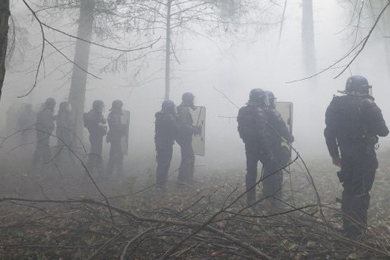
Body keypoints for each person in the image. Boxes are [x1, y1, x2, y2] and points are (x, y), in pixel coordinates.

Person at [324, 75, 388, 239]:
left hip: (346, 155)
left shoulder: (335, 104)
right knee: (360, 191)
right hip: (364, 155)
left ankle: (348, 226)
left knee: (349, 189)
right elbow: (383, 130)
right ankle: (356, 231)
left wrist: (334, 155)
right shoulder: (367, 104)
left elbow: (329, 132)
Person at [237, 88, 276, 206]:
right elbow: (261, 133)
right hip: (261, 147)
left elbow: (240, 130)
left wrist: (247, 141)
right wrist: (268, 151)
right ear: (260, 98)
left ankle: (251, 199)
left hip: (249, 146)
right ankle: (269, 196)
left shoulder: (243, 110)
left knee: (251, 172)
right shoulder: (260, 111)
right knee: (272, 169)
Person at [264, 91, 294, 203]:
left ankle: (266, 195)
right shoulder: (272, 112)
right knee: (276, 171)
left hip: (264, 147)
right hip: (274, 146)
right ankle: (276, 199)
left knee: (267, 170)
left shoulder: (260, 113)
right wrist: (290, 138)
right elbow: (282, 127)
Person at [176, 92, 201, 184]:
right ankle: (186, 179)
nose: (193, 101)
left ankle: (182, 179)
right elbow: (184, 125)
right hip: (184, 137)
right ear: (188, 100)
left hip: (183, 137)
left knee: (186, 157)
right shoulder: (184, 109)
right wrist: (194, 129)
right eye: (191, 99)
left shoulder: (181, 108)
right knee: (189, 157)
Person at [155, 100, 179, 191]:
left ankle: (159, 184)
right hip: (166, 143)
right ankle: (161, 185)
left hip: (159, 142)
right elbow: (176, 129)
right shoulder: (169, 117)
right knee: (164, 164)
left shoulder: (159, 115)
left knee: (161, 163)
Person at [83, 100, 107, 177]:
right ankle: (87, 175)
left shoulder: (92, 113)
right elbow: (99, 123)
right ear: (98, 106)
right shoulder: (96, 114)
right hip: (96, 136)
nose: (102, 108)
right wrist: (102, 124)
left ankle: (101, 174)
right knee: (94, 155)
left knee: (96, 154)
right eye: (101, 106)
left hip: (95, 136)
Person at [33, 98, 56, 166]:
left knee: (43, 146)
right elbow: (46, 122)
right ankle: (42, 162)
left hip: (42, 131)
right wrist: (49, 129)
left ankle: (42, 162)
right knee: (43, 146)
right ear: (50, 104)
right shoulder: (47, 111)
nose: (53, 106)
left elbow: (48, 119)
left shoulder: (44, 110)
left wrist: (54, 118)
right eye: (53, 104)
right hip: (44, 132)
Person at [106, 100, 126, 178]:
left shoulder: (113, 114)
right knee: (115, 155)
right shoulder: (114, 115)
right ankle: (109, 174)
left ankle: (118, 173)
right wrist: (123, 128)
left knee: (118, 155)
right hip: (116, 137)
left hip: (116, 136)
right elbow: (116, 127)